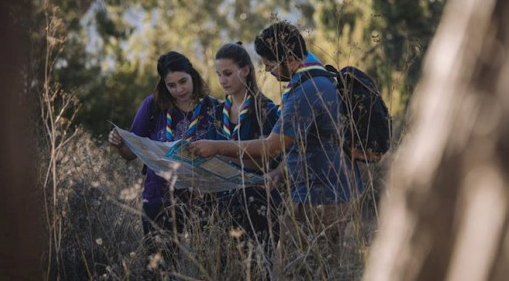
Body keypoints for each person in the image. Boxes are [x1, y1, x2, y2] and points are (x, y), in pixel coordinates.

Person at [188, 22, 363, 278]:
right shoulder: (319, 77)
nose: (268, 71)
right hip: (322, 190)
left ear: (290, 59)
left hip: (320, 197)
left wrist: (216, 147)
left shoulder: (304, 91)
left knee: (303, 272)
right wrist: (280, 172)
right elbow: (308, 142)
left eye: (270, 64)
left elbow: (271, 146)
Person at [108, 51, 219, 270]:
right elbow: (131, 153)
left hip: (203, 199)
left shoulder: (213, 108)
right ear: (164, 85)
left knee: (208, 264)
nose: (179, 89)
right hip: (159, 197)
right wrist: (120, 144)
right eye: (171, 85)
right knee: (159, 268)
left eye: (183, 81)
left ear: (193, 76)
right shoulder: (153, 106)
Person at [211, 42, 281, 274]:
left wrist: (226, 153)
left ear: (246, 71)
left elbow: (273, 155)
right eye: (219, 74)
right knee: (224, 270)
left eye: (228, 73)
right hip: (223, 204)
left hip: (258, 205)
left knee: (258, 270)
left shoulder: (266, 111)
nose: (222, 80)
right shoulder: (216, 113)